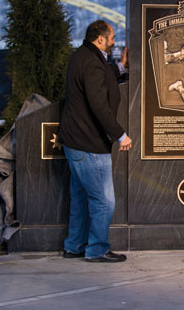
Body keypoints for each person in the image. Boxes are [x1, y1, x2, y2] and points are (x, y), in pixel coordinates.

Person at [58, 20, 132, 263]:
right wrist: (120, 135)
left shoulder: (84, 56)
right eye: (111, 38)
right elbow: (98, 105)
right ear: (100, 39)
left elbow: (102, 77)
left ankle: (74, 246)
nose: (113, 42)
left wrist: (120, 67)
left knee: (80, 197)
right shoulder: (91, 62)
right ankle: (97, 249)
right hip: (89, 145)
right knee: (103, 200)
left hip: (75, 144)